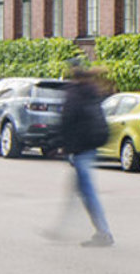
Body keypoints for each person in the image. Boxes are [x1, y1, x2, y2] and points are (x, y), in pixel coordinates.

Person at [48, 64, 115, 247]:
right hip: (90, 146)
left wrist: (55, 144)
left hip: (80, 148)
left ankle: (104, 233)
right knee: (77, 191)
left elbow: (66, 122)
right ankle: (61, 228)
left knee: (88, 192)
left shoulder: (74, 94)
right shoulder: (92, 93)